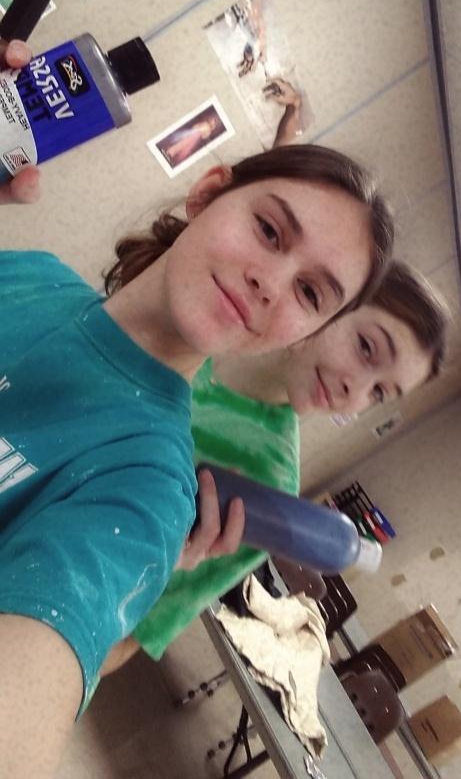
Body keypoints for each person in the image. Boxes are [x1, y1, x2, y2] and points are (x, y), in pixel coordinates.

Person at [0, 42, 394, 779]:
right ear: (208, 192)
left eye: (311, 293)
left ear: (304, 333)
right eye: (270, 230)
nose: (272, 282)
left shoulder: (149, 488)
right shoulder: (28, 274)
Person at [100, 257, 448, 677]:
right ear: (331, 300)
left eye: (378, 393)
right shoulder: (202, 315)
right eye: (366, 347)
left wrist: (162, 559)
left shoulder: (268, 485)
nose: (354, 389)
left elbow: (127, 640)